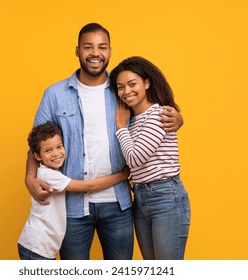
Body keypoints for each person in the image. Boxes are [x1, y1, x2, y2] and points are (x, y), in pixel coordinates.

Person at [25, 23, 183, 260]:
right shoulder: (55, 94)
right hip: (73, 207)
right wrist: (29, 178)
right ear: (77, 51)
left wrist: (178, 118)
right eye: (88, 47)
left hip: (119, 204)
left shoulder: (122, 90)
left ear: (110, 51)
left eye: (102, 47)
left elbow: (152, 113)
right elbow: (36, 143)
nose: (95, 53)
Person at [109, 56, 191, 260]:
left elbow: (136, 159)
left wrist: (120, 127)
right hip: (140, 198)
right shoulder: (132, 120)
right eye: (120, 87)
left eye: (132, 84)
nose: (126, 91)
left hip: (166, 197)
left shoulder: (159, 115)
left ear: (146, 83)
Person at [18, 121, 130, 260]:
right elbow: (89, 187)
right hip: (36, 246)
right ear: (37, 156)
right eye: (48, 150)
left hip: (42, 247)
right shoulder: (48, 175)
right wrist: (122, 175)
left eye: (59, 147)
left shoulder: (54, 172)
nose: (56, 154)